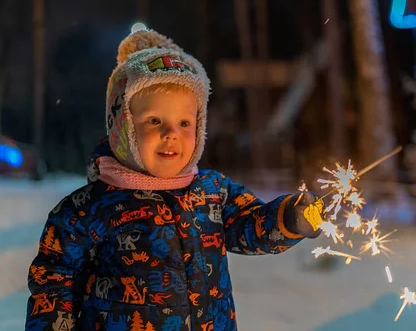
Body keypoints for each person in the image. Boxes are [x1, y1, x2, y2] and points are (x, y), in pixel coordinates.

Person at [25, 29, 323, 331]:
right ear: (122, 126)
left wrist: (289, 218)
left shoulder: (213, 192)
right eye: (155, 121)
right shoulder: (85, 211)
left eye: (184, 123)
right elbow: (54, 284)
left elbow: (251, 225)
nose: (172, 134)